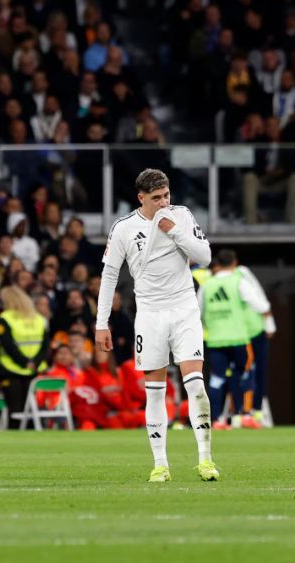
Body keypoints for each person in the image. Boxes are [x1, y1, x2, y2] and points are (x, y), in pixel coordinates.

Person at [95, 168, 217, 483]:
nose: (164, 202)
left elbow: (204, 256)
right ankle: (160, 464)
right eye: (156, 198)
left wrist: (175, 230)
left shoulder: (182, 215)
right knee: (154, 392)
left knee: (195, 384)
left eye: (166, 195)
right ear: (141, 198)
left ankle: (205, 460)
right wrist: (101, 323)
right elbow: (109, 275)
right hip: (149, 313)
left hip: (184, 308)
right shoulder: (123, 228)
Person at [197, 249, 263, 430]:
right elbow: (259, 304)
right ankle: (244, 415)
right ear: (234, 263)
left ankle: (217, 420)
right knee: (245, 374)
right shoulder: (238, 282)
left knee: (217, 379)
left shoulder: (207, 285)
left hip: (216, 339)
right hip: (239, 338)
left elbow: (198, 311)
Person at [0, 286, 51, 428]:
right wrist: (34, 363)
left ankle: (15, 436)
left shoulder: (4, 318)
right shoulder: (39, 319)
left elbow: (7, 344)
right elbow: (45, 345)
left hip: (10, 369)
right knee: (31, 409)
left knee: (15, 409)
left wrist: (24, 363)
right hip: (34, 369)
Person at [235, 263, 276, 427]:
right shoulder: (218, 279)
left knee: (257, 373)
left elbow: (260, 299)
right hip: (237, 335)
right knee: (242, 374)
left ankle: (255, 412)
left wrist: (269, 324)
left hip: (254, 332)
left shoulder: (242, 273)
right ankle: (240, 413)